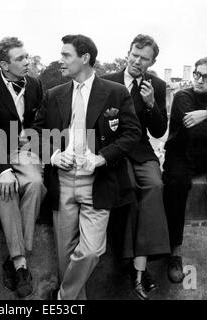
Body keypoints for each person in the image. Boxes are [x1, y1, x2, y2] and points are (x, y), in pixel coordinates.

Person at [33, 34, 141, 300]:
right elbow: (34, 134)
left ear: (85, 58)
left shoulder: (115, 92)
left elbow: (132, 133)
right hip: (63, 180)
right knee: (65, 257)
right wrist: (53, 155)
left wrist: (102, 157)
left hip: (98, 182)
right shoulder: (54, 94)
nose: (61, 60)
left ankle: (61, 299)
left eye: (66, 55)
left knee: (91, 250)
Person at [0, 37, 46, 298]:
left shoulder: (35, 84)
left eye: (27, 56)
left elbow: (40, 120)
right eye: (20, 59)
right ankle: (20, 263)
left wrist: (32, 136)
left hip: (24, 150)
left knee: (36, 185)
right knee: (8, 190)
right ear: (5, 65)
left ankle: (16, 256)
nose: (27, 61)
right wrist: (3, 170)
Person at [103, 34, 170, 300]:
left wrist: (153, 103)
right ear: (127, 53)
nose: (137, 62)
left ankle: (138, 266)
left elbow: (159, 130)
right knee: (128, 189)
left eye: (144, 59)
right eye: (134, 55)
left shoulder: (157, 85)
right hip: (113, 150)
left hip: (141, 151)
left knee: (155, 186)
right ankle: (136, 269)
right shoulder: (106, 81)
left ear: (152, 61)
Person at [163, 57, 207, 283]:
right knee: (176, 186)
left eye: (206, 77)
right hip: (181, 154)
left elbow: (203, 128)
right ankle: (175, 252)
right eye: (196, 74)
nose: (198, 80)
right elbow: (193, 133)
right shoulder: (183, 96)